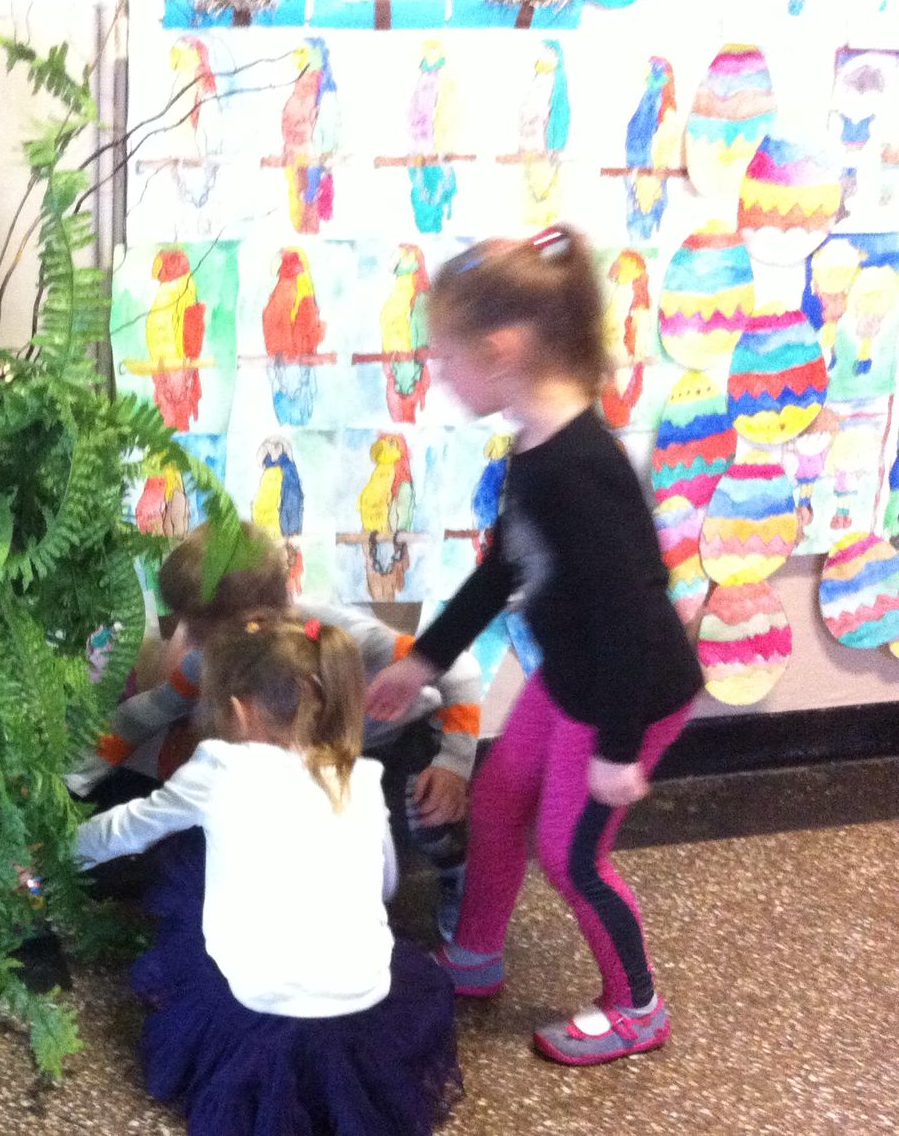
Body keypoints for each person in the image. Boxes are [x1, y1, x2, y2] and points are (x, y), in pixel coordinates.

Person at [365, 226, 703, 1067]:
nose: (439, 375)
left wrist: (617, 750)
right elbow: (505, 568)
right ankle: (474, 957)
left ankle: (637, 1005)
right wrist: (422, 660)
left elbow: (629, 616)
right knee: (498, 798)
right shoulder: (534, 446)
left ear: (503, 349)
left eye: (448, 357)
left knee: (572, 855)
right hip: (573, 675)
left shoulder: (577, 468)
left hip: (628, 691)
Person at [77, 611, 462, 1134]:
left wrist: (59, 852)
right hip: (364, 1001)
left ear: (238, 710)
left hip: (253, 1002)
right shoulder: (360, 774)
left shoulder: (217, 769)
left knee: (186, 870)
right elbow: (387, 883)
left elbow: (126, 829)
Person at [67, 520, 483, 940]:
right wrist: (73, 780)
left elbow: (460, 669)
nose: (188, 640)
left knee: (425, 810)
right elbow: (148, 712)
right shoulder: (218, 655)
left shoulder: (341, 636)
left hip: (401, 742)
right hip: (321, 757)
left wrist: (453, 763)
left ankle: (460, 876)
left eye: (196, 627)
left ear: (250, 619)